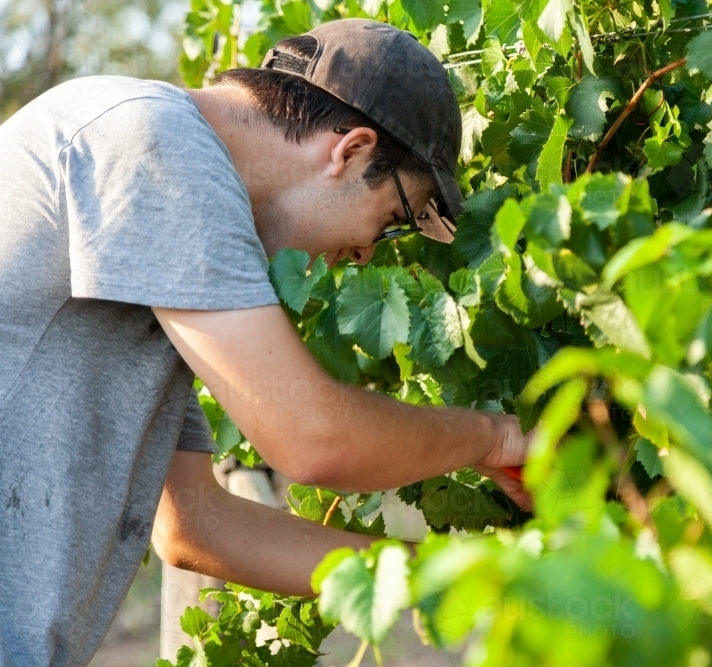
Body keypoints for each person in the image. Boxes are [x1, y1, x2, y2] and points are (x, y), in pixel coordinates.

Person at [0, 18, 530, 667]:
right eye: (393, 219)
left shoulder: (161, 243)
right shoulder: (154, 144)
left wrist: (457, 572)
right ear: (351, 151)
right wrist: (493, 437)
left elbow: (196, 525)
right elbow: (313, 438)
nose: (365, 254)